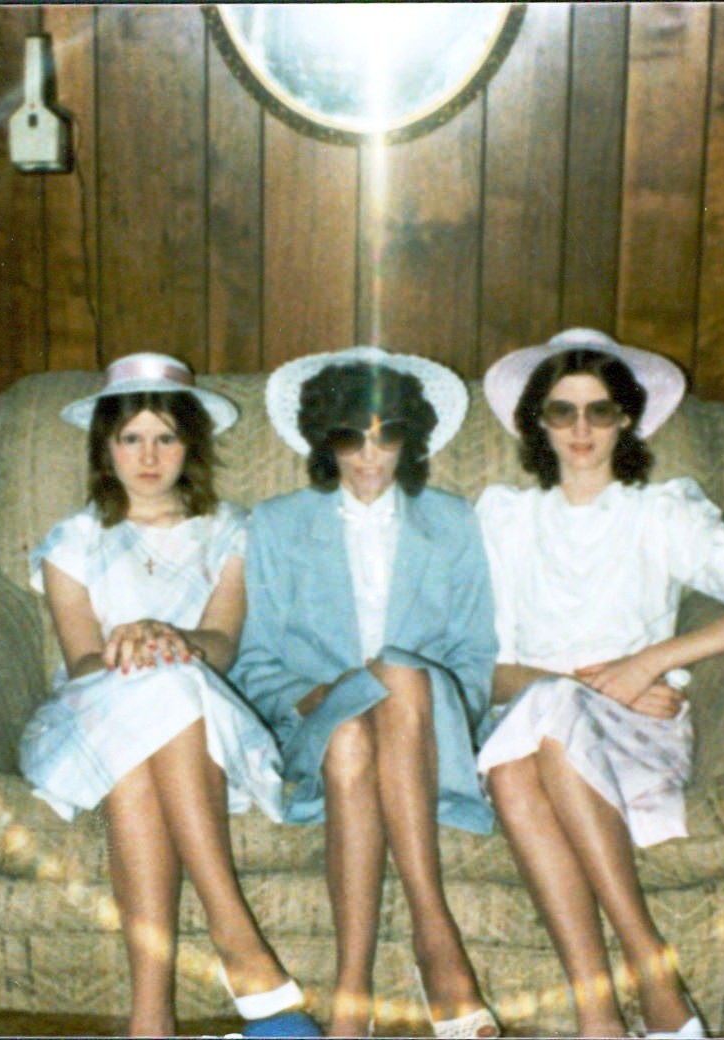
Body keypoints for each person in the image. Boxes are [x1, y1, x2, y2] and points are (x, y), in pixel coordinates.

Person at [474, 329, 724, 1039]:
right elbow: (485, 668)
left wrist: (648, 662)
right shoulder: (506, 519)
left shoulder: (664, 512)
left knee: (523, 751)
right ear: (537, 422)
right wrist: (591, 687)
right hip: (533, 719)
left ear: (626, 419)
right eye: (562, 411)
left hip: (639, 730)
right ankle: (622, 993)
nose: (581, 429)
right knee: (528, 740)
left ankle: (622, 994)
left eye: (600, 410)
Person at [18, 353, 319, 1039]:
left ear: (191, 445)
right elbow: (83, 662)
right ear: (105, 447)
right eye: (131, 438)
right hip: (88, 715)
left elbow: (222, 645)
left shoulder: (232, 531)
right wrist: (134, 648)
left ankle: (149, 1020)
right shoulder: (73, 540)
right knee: (156, 691)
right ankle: (236, 938)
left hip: (200, 722)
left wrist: (168, 638)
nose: (148, 457)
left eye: (166, 438)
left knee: (166, 705)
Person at [233, 346, 500, 1038]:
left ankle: (353, 987)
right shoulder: (276, 524)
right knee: (353, 720)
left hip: (427, 734)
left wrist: (424, 708)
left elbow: (475, 657)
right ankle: (435, 941)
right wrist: (322, 695)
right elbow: (255, 664)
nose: (370, 456)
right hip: (316, 726)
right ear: (326, 441)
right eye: (351, 438)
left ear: (412, 439)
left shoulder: (454, 522)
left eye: (388, 436)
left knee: (387, 697)